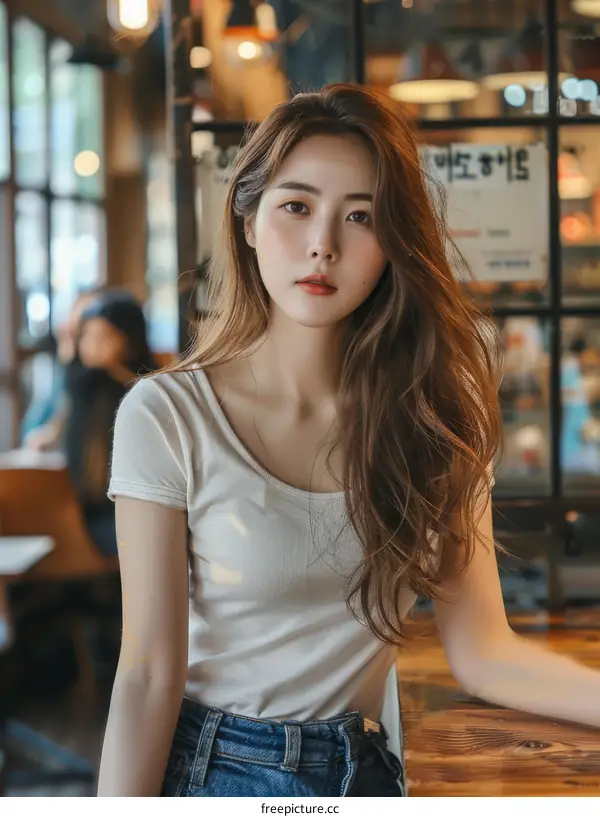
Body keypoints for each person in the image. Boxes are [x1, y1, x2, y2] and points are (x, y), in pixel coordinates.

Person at [98, 85, 600, 798]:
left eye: (359, 216)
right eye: (296, 206)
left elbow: (486, 651)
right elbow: (148, 672)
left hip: (367, 771)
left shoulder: (434, 412)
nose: (323, 245)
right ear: (247, 221)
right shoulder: (168, 415)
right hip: (217, 768)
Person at [64, 291, 157, 556]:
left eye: (103, 336)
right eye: (87, 336)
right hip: (95, 514)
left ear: (130, 341)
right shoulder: (84, 386)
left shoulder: (139, 389)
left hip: (134, 507)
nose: (92, 346)